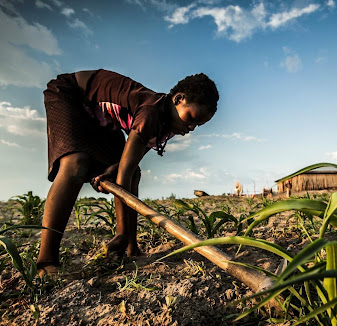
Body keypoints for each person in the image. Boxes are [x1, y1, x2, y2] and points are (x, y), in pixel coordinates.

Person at [36, 69, 219, 276]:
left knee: (134, 174)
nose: (192, 128)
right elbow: (125, 169)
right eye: (192, 118)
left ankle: (132, 248)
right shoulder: (152, 112)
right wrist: (121, 232)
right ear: (178, 99)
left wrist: (116, 167)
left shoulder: (168, 123)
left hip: (101, 118)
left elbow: (129, 165)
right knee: (76, 164)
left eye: (199, 125)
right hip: (71, 93)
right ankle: (46, 260)